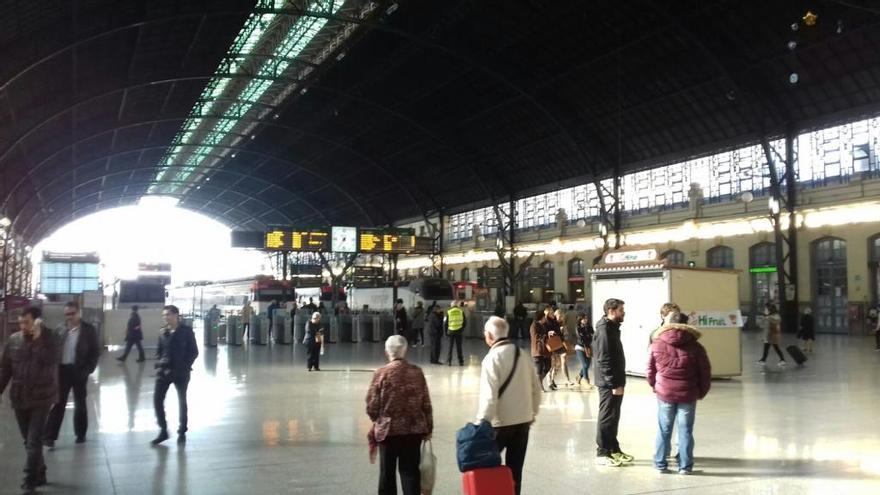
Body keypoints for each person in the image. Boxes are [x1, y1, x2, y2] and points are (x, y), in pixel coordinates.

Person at [476, 317, 542, 495]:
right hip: (522, 422)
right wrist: (532, 413)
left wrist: (482, 422)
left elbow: (489, 397)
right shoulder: (523, 354)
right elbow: (536, 389)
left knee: (487, 467)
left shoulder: (491, 359)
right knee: (515, 471)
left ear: (489, 335)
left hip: (500, 424)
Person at [647, 304, 712, 474]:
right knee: (685, 430)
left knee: (664, 428)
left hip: (665, 393)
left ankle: (660, 464)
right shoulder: (696, 347)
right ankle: (685, 467)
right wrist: (701, 391)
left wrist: (656, 386)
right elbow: (705, 372)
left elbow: (650, 370)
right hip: (688, 393)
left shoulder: (656, 343)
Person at [0, 307, 59, 491]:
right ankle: (40, 472)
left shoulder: (51, 339)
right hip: (20, 397)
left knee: (33, 441)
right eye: (20, 322)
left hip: (42, 398)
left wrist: (38, 339)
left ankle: (29, 481)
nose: (23, 326)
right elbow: (5, 369)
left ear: (37, 321)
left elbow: (52, 360)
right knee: (28, 441)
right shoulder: (14, 340)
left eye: (26, 322)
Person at [366, 335, 433, 495]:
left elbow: (372, 405)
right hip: (414, 430)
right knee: (410, 473)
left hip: (388, 432)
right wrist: (428, 428)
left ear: (386, 352)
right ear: (405, 351)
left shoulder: (381, 373)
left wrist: (377, 420)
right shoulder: (417, 372)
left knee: (387, 474)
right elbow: (426, 403)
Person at [44, 301, 100, 447]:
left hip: (79, 370)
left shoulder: (88, 330)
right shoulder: (60, 329)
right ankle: (49, 436)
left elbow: (95, 351)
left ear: (79, 312)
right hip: (62, 371)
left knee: (80, 403)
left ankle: (80, 434)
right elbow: (52, 348)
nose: (69, 317)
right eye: (67, 314)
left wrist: (89, 369)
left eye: (72, 313)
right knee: (58, 403)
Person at [151, 305, 199, 446]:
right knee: (157, 400)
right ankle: (163, 430)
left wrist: (185, 366)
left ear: (176, 315)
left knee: (181, 400)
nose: (166, 317)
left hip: (181, 373)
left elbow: (194, 351)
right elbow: (159, 351)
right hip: (164, 372)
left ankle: (182, 428)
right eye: (164, 315)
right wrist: (160, 361)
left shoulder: (186, 332)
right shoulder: (162, 332)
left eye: (168, 315)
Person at [594, 298, 633, 467]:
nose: (623, 312)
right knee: (607, 416)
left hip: (616, 381)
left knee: (614, 416)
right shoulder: (604, 330)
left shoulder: (613, 328)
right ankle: (603, 452)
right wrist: (612, 384)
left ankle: (613, 449)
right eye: (621, 310)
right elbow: (604, 359)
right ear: (611, 310)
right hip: (608, 383)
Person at [758, 303, 786, 367]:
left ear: (769, 309)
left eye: (766, 308)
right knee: (768, 347)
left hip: (771, 335)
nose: (764, 310)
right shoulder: (775, 316)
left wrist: (765, 318)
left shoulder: (770, 317)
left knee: (775, 348)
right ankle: (763, 360)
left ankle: (782, 360)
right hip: (772, 335)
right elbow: (763, 326)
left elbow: (763, 325)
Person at [530, 308, 551, 390]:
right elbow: (536, 337)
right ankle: (540, 385)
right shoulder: (534, 325)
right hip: (537, 350)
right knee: (539, 368)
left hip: (545, 350)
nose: (545, 318)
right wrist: (546, 335)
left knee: (548, 366)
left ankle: (537, 382)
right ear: (541, 318)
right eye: (544, 317)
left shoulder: (544, 325)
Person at [575, 313, 594, 389]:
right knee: (585, 365)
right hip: (580, 347)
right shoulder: (578, 327)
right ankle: (586, 381)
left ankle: (579, 376)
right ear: (580, 320)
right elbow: (580, 338)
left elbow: (593, 334)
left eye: (586, 318)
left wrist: (588, 335)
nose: (585, 320)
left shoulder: (589, 327)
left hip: (588, 347)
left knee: (588, 365)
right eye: (583, 319)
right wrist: (588, 336)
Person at [445, 301, 466, 366]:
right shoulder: (461, 311)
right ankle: (461, 362)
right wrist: (462, 329)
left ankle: (449, 362)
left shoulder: (449, 312)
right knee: (459, 347)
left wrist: (446, 331)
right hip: (459, 331)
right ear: (457, 305)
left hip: (451, 331)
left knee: (450, 347)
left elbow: (446, 323)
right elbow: (465, 322)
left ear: (451, 305)